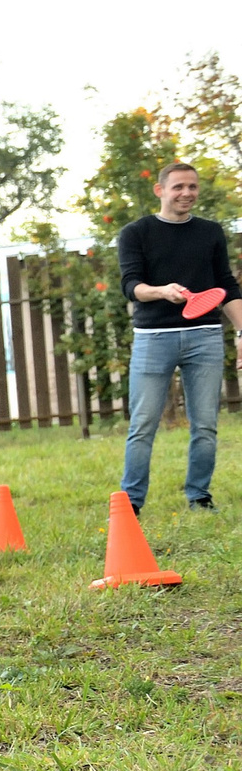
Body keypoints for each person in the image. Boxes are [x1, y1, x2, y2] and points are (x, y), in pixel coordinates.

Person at [116, 160, 242, 512]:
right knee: (142, 425)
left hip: (205, 336)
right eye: (178, 187)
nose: (186, 193)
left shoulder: (211, 232)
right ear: (160, 190)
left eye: (192, 187)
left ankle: (199, 496)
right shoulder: (135, 233)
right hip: (154, 337)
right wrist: (161, 291)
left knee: (206, 425)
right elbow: (131, 286)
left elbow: (226, 287)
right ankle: (132, 503)